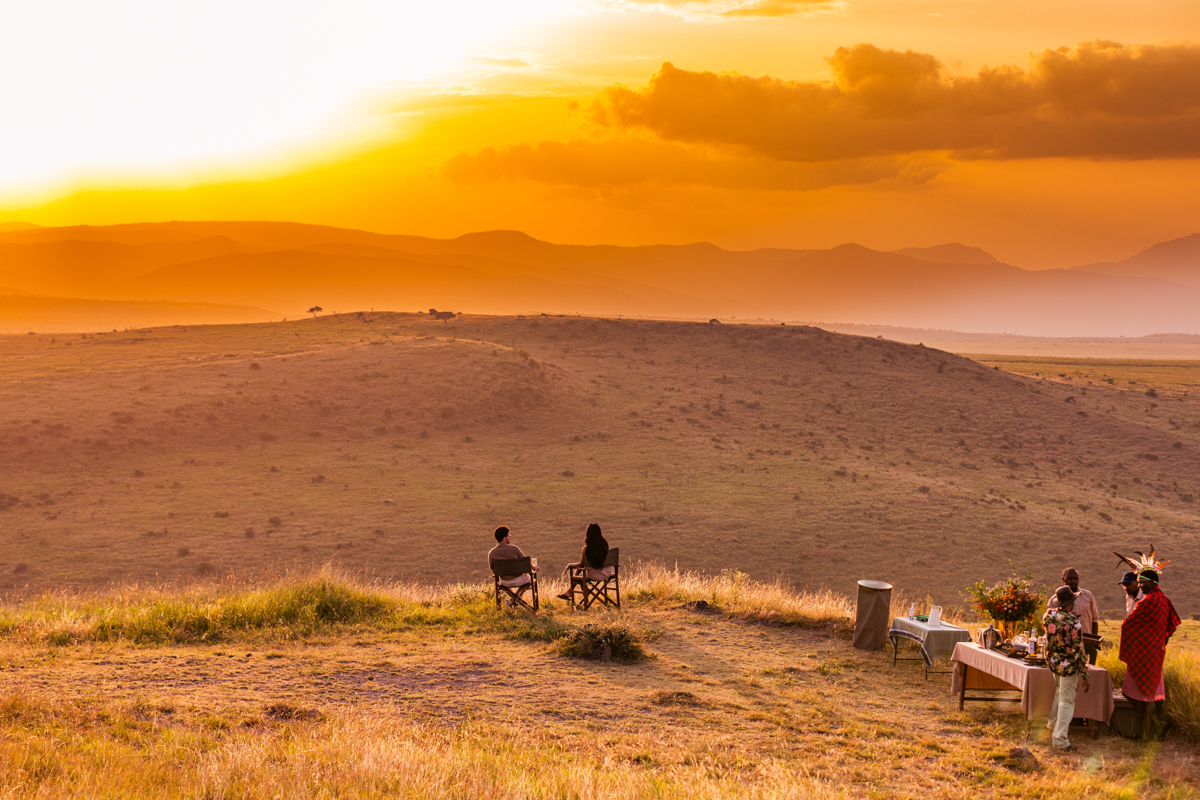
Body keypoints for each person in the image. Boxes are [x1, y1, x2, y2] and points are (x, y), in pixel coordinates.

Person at [1120, 568, 1181, 740]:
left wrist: (1133, 646)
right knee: (1149, 694)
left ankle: (1150, 728)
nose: (1140, 586)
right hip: (1156, 652)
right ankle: (1153, 726)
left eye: (1142, 583)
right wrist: (1161, 642)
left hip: (1143, 654)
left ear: (1153, 583)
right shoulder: (1164, 600)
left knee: (1133, 692)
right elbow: (1170, 625)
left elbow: (1128, 625)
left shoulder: (1148, 602)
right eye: (1138, 582)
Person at [1044, 585, 1091, 752]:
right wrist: (1085, 674)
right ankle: (1060, 739)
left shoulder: (1049, 615)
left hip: (1054, 662)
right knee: (1067, 701)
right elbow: (1078, 650)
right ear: (1071, 602)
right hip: (1069, 666)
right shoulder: (1074, 623)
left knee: (1059, 693)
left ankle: (1051, 726)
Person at [1046, 568, 1100, 664]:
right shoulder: (1055, 600)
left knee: (1091, 670)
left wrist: (1094, 641)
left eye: (1076, 578)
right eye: (1070, 578)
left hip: (1086, 641)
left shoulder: (1088, 596)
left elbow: (1094, 619)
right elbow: (1049, 623)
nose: (1073, 581)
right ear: (1063, 579)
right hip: (1064, 644)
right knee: (1070, 669)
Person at [557, 523, 613, 602]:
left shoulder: (586, 549)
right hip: (607, 573)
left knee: (580, 576)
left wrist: (570, 565)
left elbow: (581, 564)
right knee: (580, 572)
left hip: (596, 575)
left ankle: (584, 598)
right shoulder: (605, 545)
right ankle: (569, 592)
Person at [488, 525, 538, 603]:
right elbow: (527, 563)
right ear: (504, 538)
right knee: (529, 579)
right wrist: (535, 568)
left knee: (506, 583)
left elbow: (494, 572)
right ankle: (514, 600)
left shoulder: (492, 553)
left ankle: (513, 600)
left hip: (505, 582)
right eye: (509, 536)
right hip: (520, 580)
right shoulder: (514, 549)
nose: (510, 537)